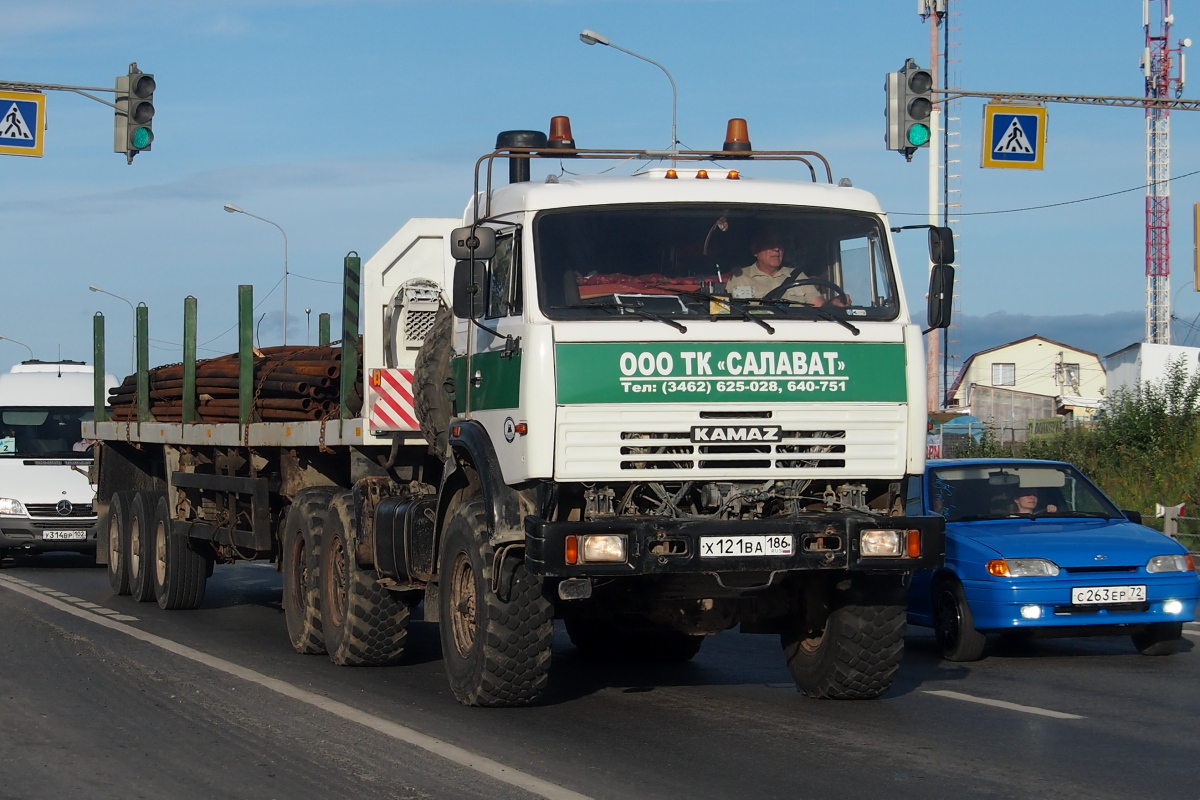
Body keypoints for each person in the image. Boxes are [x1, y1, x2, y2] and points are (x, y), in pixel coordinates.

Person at [724, 228, 844, 306]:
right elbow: (729, 311)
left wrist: (832, 304)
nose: (776, 249)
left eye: (779, 244)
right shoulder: (740, 277)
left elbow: (819, 304)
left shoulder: (797, 276)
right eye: (770, 244)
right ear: (755, 250)